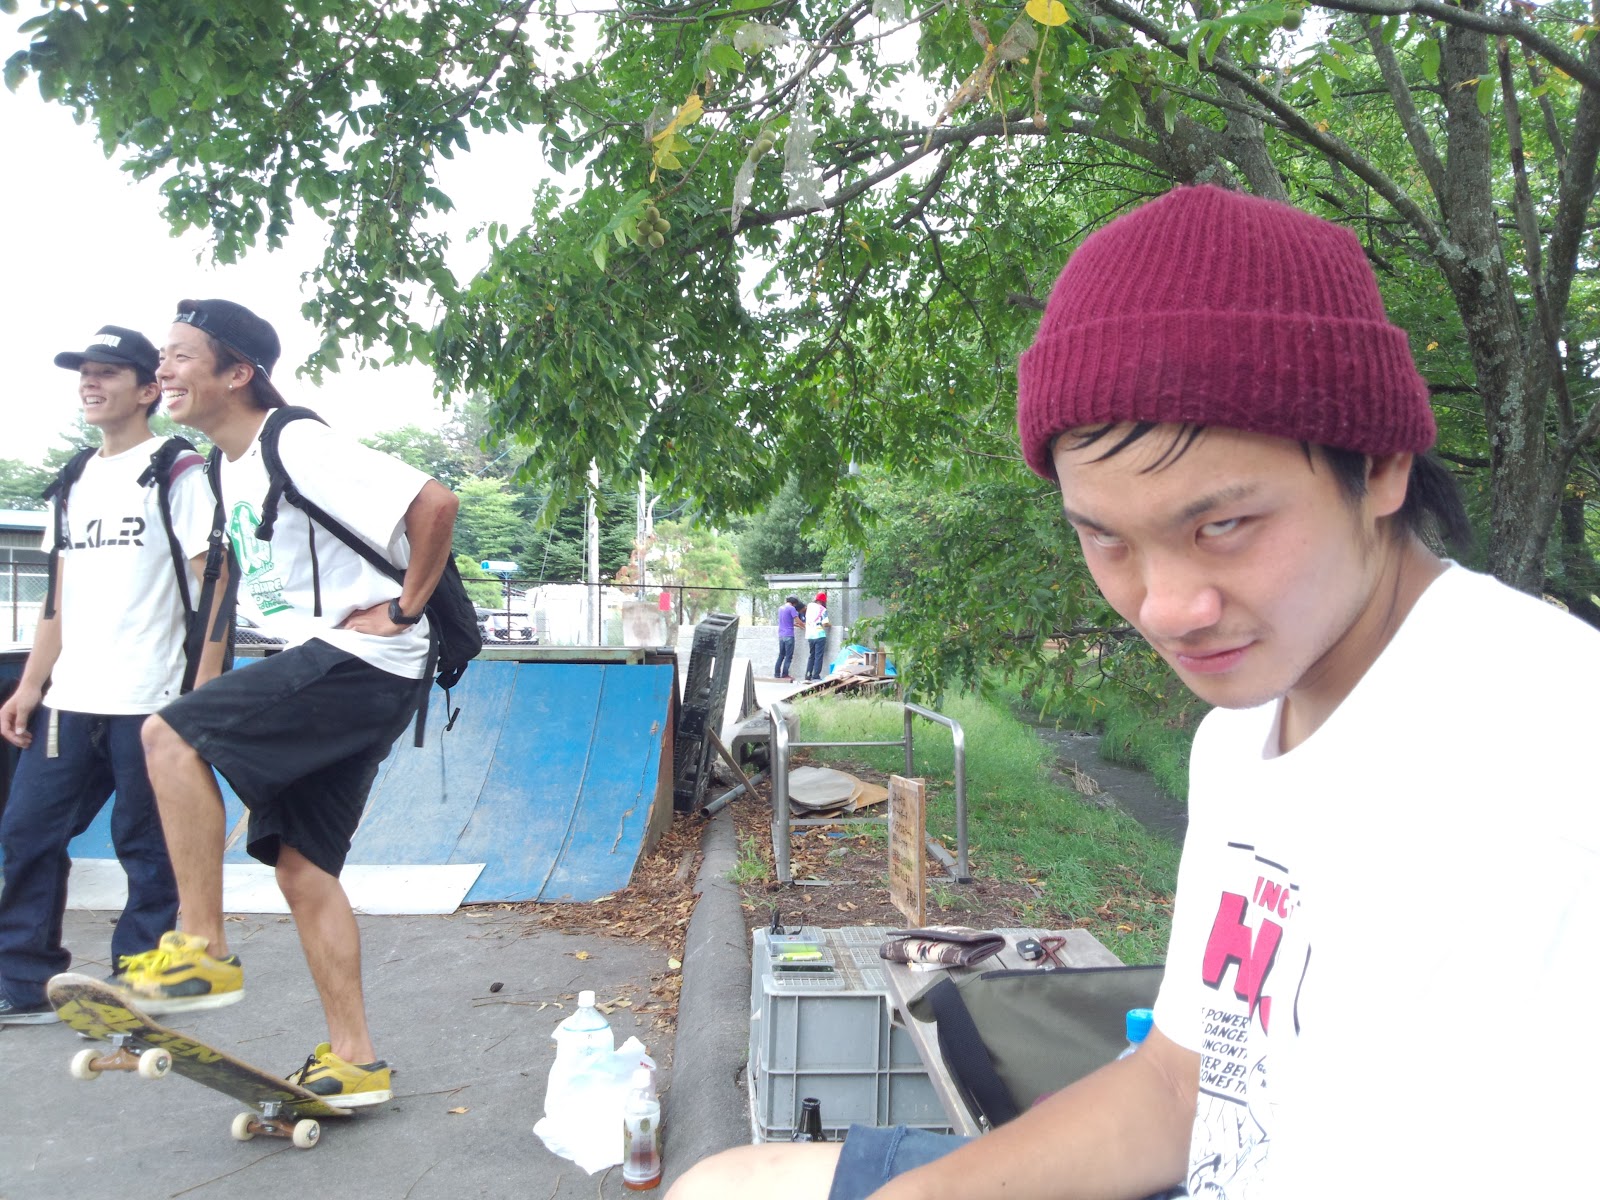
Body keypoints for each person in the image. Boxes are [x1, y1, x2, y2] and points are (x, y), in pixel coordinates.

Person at [667, 185, 1599, 1197]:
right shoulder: (1242, 733)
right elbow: (1181, 1086)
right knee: (723, 1184)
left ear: (1377, 466)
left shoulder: (1547, 758)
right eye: (1105, 538)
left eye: (1223, 526)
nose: (1166, 608)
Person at [115, 299, 461, 1109]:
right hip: (341, 666)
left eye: (181, 355)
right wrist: (202, 695)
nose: (163, 369)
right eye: (161, 356)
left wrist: (405, 607)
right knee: (303, 868)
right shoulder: (222, 469)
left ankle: (201, 944)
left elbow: (435, 503)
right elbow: (226, 593)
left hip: (362, 661)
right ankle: (356, 1059)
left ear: (238, 372)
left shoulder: (294, 440)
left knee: (163, 737)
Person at [0, 325, 224, 1025]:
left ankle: (143, 975)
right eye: (84, 373)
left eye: (106, 373)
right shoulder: (73, 477)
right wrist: (31, 685)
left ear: (148, 389)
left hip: (150, 697)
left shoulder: (176, 468)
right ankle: (23, 980)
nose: (89, 384)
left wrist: (201, 693)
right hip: (70, 699)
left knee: (147, 846)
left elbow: (217, 582)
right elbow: (58, 596)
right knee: (27, 834)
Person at [802, 591, 830, 681]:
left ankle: (808, 675)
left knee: (812, 656)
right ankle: (816, 675)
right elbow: (825, 623)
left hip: (810, 635)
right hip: (819, 635)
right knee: (818, 656)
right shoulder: (823, 609)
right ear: (823, 601)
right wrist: (830, 625)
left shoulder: (809, 607)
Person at [774, 595, 801, 681]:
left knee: (781, 655)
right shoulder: (791, 608)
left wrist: (795, 624)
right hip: (789, 635)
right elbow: (797, 620)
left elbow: (786, 621)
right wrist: (804, 625)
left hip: (781, 635)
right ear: (794, 603)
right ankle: (785, 674)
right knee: (788, 656)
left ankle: (777, 673)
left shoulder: (780, 608)